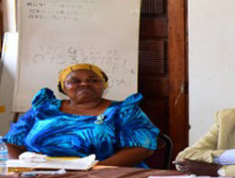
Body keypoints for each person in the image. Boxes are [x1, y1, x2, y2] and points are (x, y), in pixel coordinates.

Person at [3, 63, 158, 167]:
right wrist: (20, 168)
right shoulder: (43, 109)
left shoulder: (124, 111)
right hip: (41, 177)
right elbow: (13, 142)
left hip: (105, 177)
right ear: (63, 88)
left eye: (93, 80)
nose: (84, 84)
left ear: (104, 85)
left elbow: (141, 148)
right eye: (74, 81)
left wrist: (96, 169)